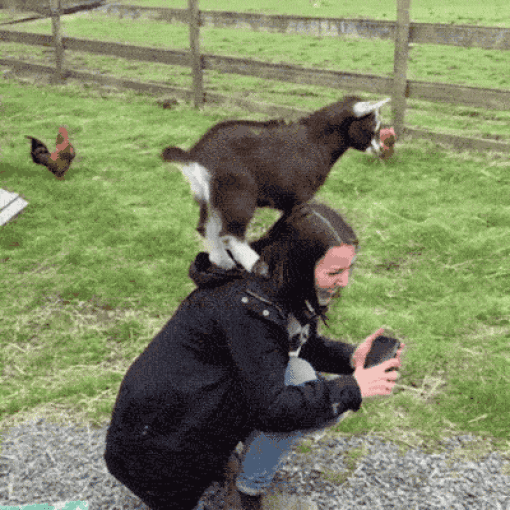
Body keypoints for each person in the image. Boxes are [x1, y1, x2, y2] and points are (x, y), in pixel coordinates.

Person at [104, 201, 405, 510]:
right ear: (300, 264)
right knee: (302, 383)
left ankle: (222, 462)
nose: (344, 281)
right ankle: (245, 496)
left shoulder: (273, 280)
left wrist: (351, 357)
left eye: (348, 269)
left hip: (174, 424)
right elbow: (274, 409)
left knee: (301, 380)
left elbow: (295, 344)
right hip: (157, 458)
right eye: (334, 271)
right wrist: (352, 387)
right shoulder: (249, 307)